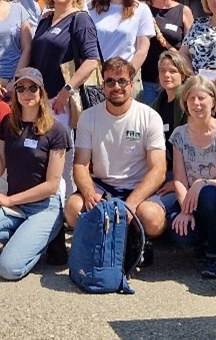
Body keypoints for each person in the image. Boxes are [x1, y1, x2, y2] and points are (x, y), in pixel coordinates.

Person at [64, 58, 168, 255]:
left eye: (122, 81)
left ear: (132, 84)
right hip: (102, 189)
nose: (116, 87)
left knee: (153, 219)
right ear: (103, 85)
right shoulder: (88, 116)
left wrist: (132, 203)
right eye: (110, 82)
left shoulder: (149, 116)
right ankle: (108, 238)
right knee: (72, 209)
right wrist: (88, 194)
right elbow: (80, 164)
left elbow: (159, 169)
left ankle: (131, 235)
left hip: (137, 190)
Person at [0, 67, 68, 280]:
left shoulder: (56, 130)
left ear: (41, 92)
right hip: (14, 208)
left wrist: (8, 199)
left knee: (8, 269)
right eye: (21, 88)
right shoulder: (8, 124)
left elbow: (52, 185)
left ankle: (37, 242)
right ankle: (25, 238)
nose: (27, 92)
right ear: (15, 92)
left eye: (33, 87)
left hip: (43, 208)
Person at [160, 75, 216, 279]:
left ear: (213, 100)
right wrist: (186, 210)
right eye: (191, 99)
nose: (196, 103)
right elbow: (180, 179)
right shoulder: (179, 135)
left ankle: (215, 255)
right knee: (180, 233)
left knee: (208, 194)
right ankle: (202, 242)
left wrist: (202, 184)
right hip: (190, 200)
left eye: (201, 98)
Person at [17, 0, 101, 126]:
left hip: (63, 103)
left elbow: (92, 60)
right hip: (40, 100)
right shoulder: (45, 20)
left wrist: (66, 91)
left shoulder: (81, 19)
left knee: (62, 148)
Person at [89, 0, 156, 104]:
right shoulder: (91, 9)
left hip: (128, 78)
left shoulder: (140, 9)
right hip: (98, 78)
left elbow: (142, 49)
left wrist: (126, 76)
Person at [141, 0, 193, 105]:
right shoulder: (141, 9)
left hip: (174, 81)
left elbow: (191, 46)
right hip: (147, 80)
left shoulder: (183, 11)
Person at [151, 50, 194, 152]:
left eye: (172, 71)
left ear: (183, 75)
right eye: (162, 71)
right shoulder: (157, 103)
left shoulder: (189, 102)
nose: (166, 75)